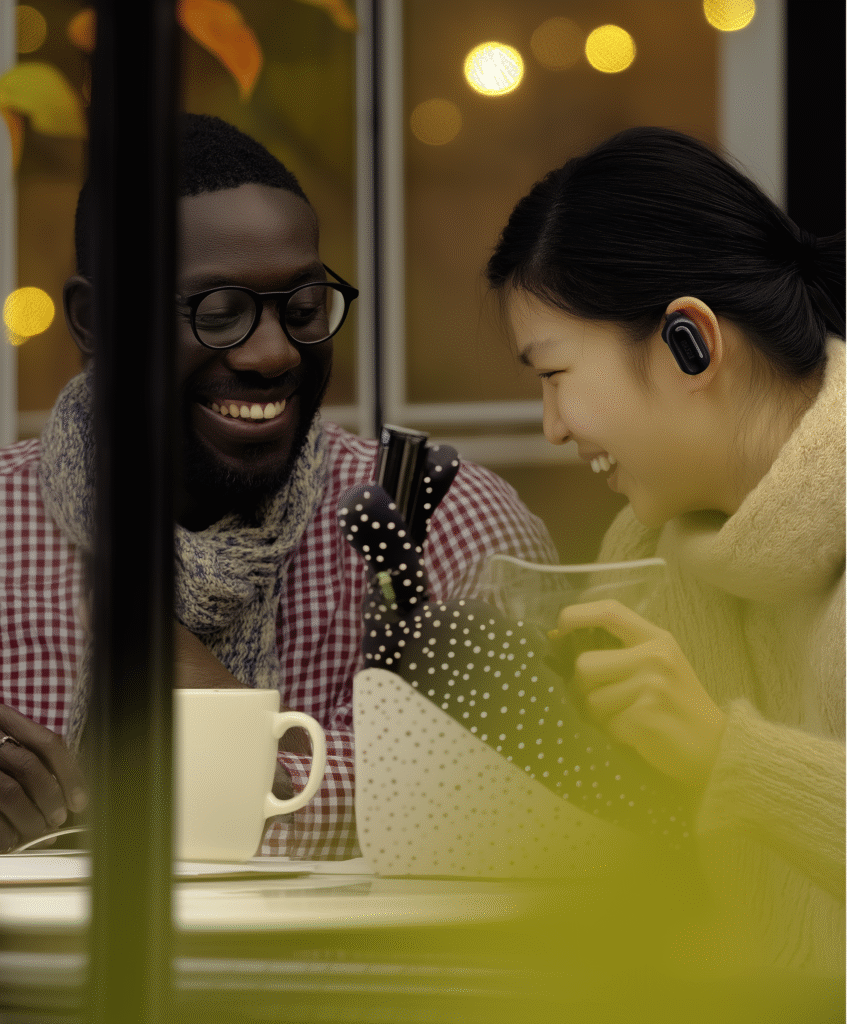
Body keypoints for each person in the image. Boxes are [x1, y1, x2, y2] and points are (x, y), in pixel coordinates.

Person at [0, 113, 556, 859]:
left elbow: (517, 813)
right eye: (219, 312)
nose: (273, 354)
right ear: (96, 320)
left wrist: (226, 727)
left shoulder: (442, 521)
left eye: (301, 309)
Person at [485, 126, 844, 973]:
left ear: (690, 342)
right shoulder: (649, 541)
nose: (552, 426)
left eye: (553, 374)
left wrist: (729, 757)